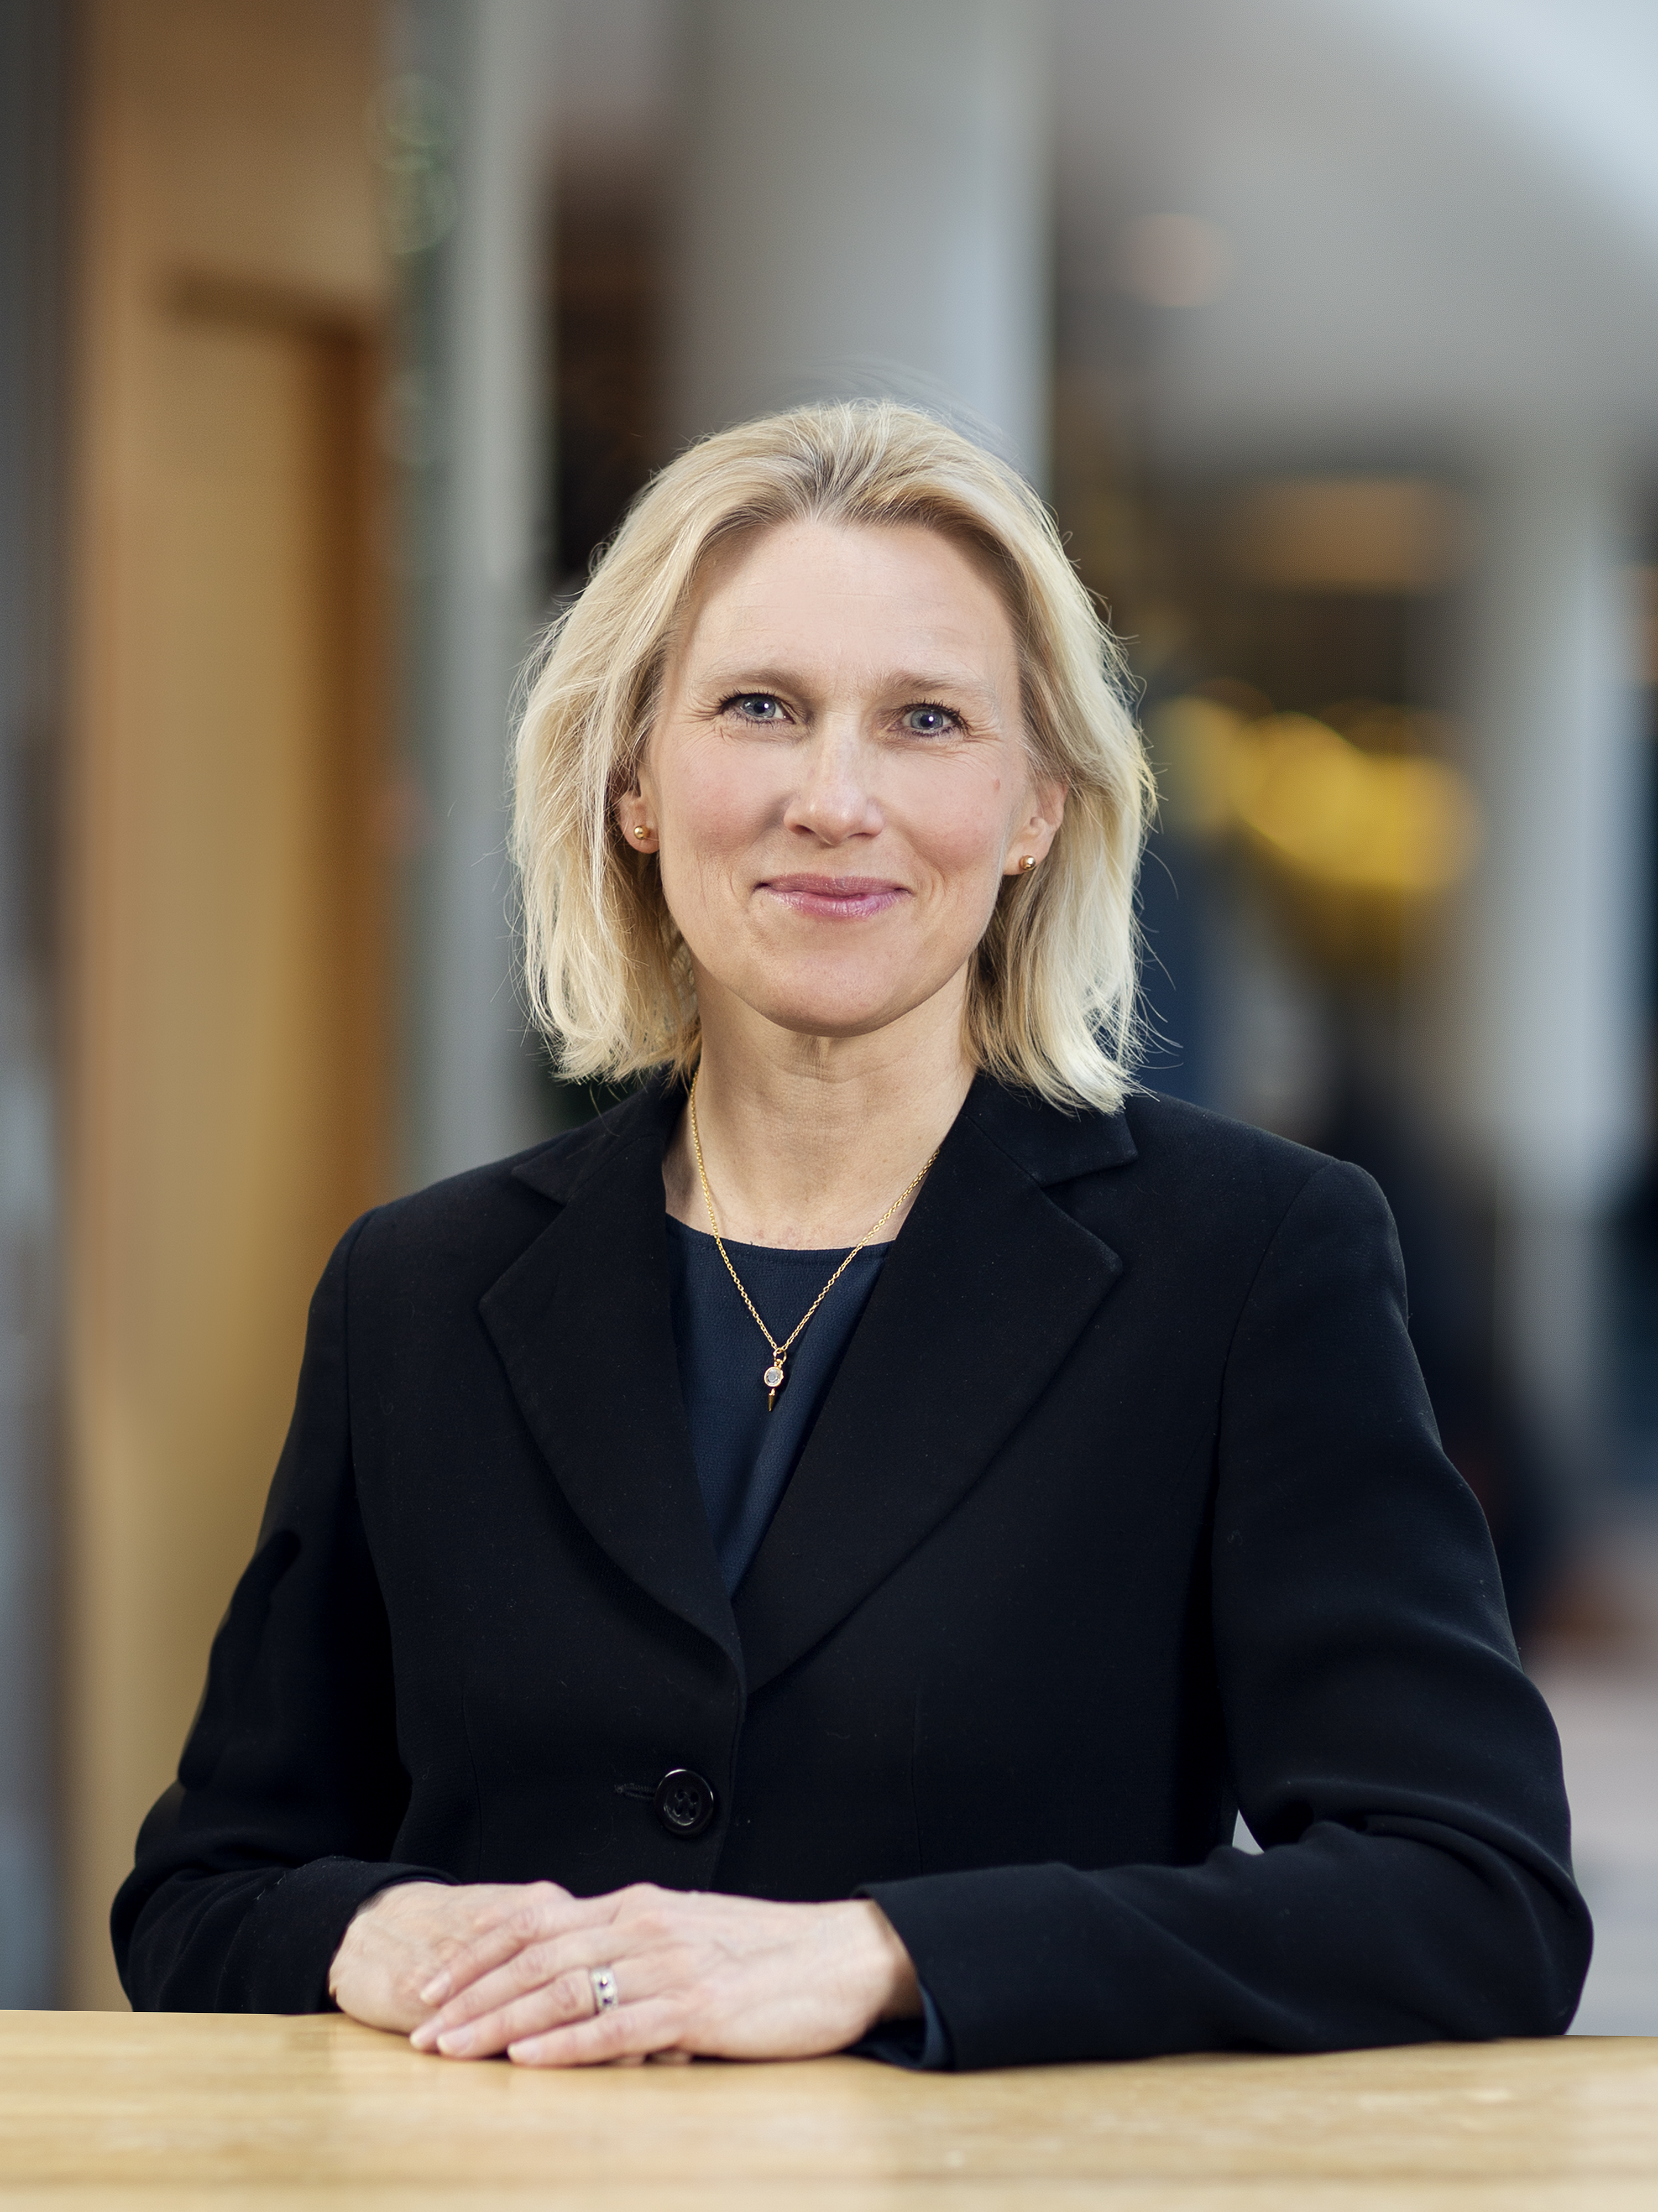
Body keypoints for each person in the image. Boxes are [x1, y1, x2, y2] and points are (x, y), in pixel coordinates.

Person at [113, 402, 1590, 2069]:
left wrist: (892, 1954)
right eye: (760, 708)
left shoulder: (1250, 1261)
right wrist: (369, 1929)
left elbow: (1475, 1903)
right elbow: (202, 1895)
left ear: (1035, 807)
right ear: (634, 782)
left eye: (925, 721)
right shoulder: (418, 1292)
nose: (834, 798)